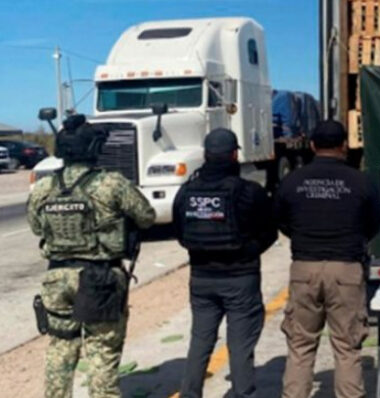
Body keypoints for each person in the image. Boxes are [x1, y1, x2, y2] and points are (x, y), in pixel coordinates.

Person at [28, 114, 156, 398]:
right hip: (100, 279)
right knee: (102, 350)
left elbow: (36, 226)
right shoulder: (111, 183)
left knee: (61, 347)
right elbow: (146, 216)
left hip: (56, 278)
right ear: (94, 148)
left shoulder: (45, 186)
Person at [275, 120, 380, 398]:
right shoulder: (361, 182)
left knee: (300, 345)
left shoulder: (292, 181)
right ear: (344, 145)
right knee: (347, 346)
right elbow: (373, 224)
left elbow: (282, 221)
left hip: (304, 268)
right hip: (346, 269)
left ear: (312, 146)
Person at [172, 128, 277, 398]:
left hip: (201, 279)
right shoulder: (249, 192)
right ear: (234, 155)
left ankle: (190, 394)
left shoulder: (186, 192)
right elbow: (270, 232)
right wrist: (248, 251)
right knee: (240, 345)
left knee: (200, 341)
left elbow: (180, 233)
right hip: (240, 279)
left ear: (206, 155)